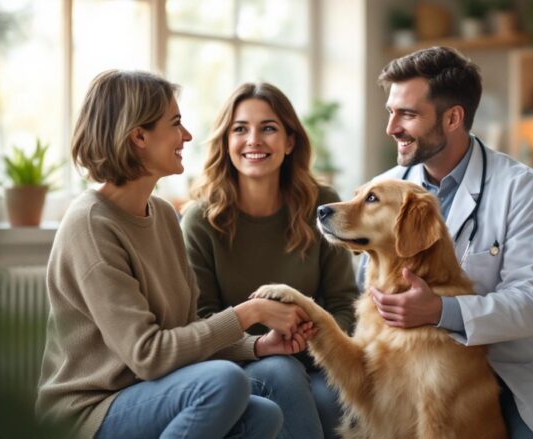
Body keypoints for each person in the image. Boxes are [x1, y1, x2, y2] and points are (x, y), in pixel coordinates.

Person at [35, 70, 320, 439]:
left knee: (262, 416)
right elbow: (149, 355)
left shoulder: (165, 215)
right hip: (90, 411)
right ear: (139, 136)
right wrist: (250, 313)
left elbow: (185, 336)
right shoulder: (91, 223)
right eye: (175, 123)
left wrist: (258, 345)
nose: (186, 135)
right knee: (222, 382)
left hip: (149, 392)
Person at [364, 46, 533, 438]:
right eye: (391, 112)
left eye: (408, 114)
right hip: (417, 374)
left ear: (453, 118)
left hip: (512, 374)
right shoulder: (381, 190)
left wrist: (440, 311)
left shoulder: (520, 188)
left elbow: (530, 304)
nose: (391, 127)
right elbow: (367, 292)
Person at [181, 82, 359, 439]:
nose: (254, 140)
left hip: (314, 359)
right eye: (240, 129)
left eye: (268, 128)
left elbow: (344, 305)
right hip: (237, 366)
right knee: (281, 372)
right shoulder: (200, 219)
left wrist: (301, 339)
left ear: (290, 142)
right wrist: (265, 345)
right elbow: (199, 322)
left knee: (334, 403)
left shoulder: (321, 204)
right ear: (226, 142)